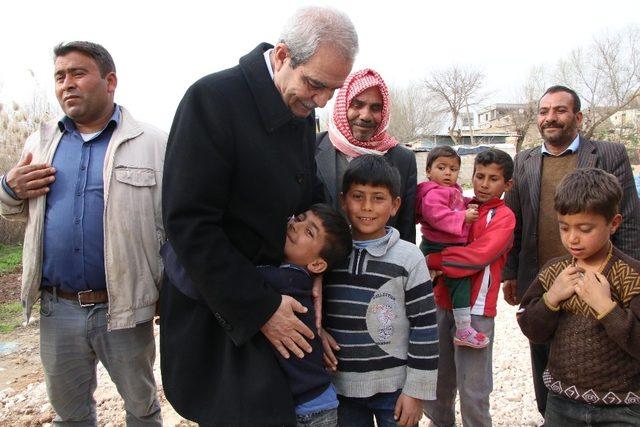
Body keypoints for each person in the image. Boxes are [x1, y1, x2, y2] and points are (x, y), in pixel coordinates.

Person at [159, 6, 358, 426]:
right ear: (284, 55)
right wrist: (261, 307)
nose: (321, 100)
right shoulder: (211, 100)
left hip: (279, 304)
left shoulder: (298, 110)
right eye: (315, 85)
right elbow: (189, 224)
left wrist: (316, 269)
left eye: (331, 91)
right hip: (220, 317)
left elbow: (309, 198)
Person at [0, 41, 165, 425]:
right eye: (60, 76)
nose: (67, 84)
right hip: (59, 308)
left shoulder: (152, 144)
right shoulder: (40, 142)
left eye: (78, 73)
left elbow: (172, 226)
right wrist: (8, 187)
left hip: (124, 309)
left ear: (110, 81)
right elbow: (13, 210)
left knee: (141, 409)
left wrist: (165, 293)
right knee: (69, 415)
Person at [503, 84, 640, 418]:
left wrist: (624, 274)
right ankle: (552, 413)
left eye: (560, 110)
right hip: (547, 278)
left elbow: (631, 221)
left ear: (578, 117)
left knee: (607, 351)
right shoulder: (524, 161)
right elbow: (514, 223)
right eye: (544, 111)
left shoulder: (609, 153)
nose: (551, 117)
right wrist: (510, 274)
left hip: (601, 281)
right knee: (545, 355)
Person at [163, 204, 352, 427]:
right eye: (299, 218)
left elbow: (221, 285)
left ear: (318, 264)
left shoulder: (285, 281)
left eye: (309, 232)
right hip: (313, 399)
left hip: (311, 409)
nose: (295, 225)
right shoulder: (292, 277)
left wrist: (174, 251)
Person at [517, 168, 640, 426]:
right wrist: (551, 299)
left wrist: (607, 308)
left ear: (614, 223)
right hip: (561, 404)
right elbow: (531, 329)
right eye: (564, 227)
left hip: (622, 409)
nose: (572, 238)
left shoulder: (631, 276)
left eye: (585, 228)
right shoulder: (553, 272)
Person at [321, 155, 438, 427]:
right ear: (342, 200)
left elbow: (425, 328)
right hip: (341, 388)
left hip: (395, 388)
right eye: (358, 196)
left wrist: (415, 392)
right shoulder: (329, 253)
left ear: (395, 204)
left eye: (378, 198)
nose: (367, 207)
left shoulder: (409, 258)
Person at [422, 148, 516, 427]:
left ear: (507, 185)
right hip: (441, 301)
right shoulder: (460, 206)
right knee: (438, 383)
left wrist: (432, 259)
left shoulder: (504, 217)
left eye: (493, 179)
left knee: (473, 390)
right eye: (479, 176)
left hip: (476, 310)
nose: (485, 184)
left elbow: (478, 256)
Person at [315, 68, 417, 243]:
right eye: (357, 104)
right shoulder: (312, 147)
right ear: (343, 104)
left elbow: (406, 229)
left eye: (375, 108)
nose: (366, 116)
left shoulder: (403, 159)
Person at [416, 145, 485, 348]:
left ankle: (461, 328)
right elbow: (436, 215)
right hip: (436, 246)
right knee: (431, 284)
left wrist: (469, 202)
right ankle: (461, 328)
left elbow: (455, 203)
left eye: (453, 169)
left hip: (447, 246)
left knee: (454, 284)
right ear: (428, 171)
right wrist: (462, 216)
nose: (448, 172)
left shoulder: (451, 190)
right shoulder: (432, 193)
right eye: (441, 167)